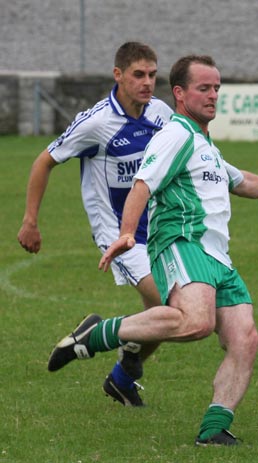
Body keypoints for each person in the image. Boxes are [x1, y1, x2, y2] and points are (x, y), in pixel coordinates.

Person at [46, 54, 258, 446]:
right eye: (203, 88)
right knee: (196, 322)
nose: (213, 96)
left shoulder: (203, 142)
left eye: (217, 88)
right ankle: (95, 335)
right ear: (179, 93)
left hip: (218, 255)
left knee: (246, 339)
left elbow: (240, 181)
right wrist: (125, 234)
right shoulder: (175, 135)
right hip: (182, 241)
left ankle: (214, 429)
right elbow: (143, 182)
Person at [17, 42, 174, 406]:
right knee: (163, 304)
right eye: (138, 74)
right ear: (118, 75)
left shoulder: (161, 113)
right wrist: (30, 221)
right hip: (119, 235)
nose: (147, 82)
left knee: (172, 315)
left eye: (152, 74)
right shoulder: (97, 122)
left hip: (160, 230)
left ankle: (121, 378)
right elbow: (44, 161)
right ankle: (101, 339)